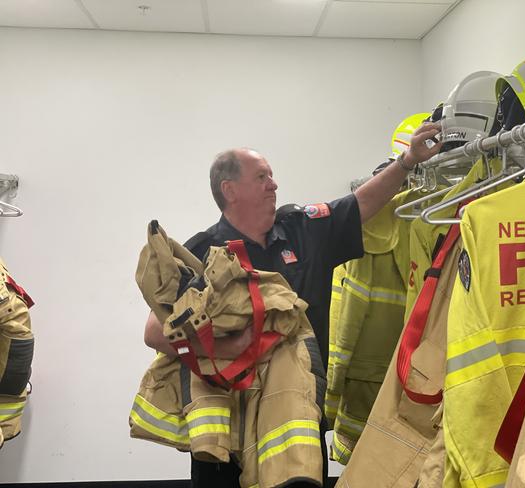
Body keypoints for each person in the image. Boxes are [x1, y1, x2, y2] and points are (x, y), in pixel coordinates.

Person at [143, 122, 442, 487]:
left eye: (271, 176)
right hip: (228, 436)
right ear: (230, 190)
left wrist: (408, 161)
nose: (274, 184)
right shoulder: (203, 251)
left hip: (294, 421)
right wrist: (230, 346)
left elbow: (360, 205)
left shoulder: (304, 230)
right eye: (262, 177)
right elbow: (156, 333)